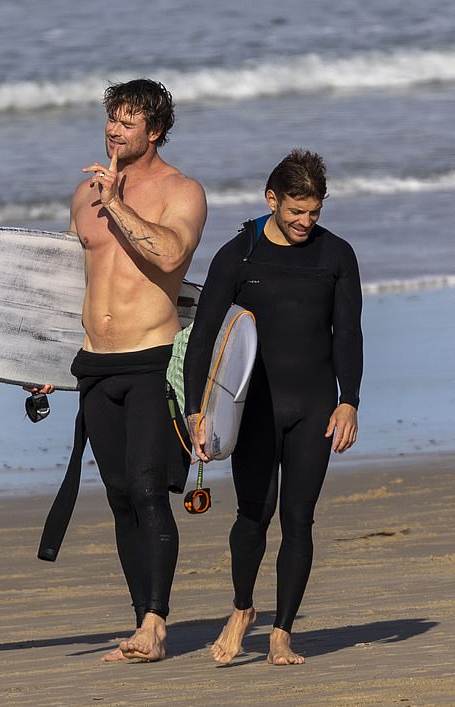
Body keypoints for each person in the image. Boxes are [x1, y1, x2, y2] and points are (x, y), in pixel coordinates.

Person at [30, 79, 207, 662]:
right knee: (120, 496)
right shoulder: (83, 193)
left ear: (154, 131)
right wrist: (45, 360)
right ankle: (142, 622)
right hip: (95, 367)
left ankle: (157, 624)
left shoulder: (183, 191)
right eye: (111, 118)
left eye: (128, 121)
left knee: (151, 490)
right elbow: (68, 286)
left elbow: (171, 255)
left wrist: (118, 205)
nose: (114, 130)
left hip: (151, 361)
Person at [183, 149, 363, 666]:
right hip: (256, 408)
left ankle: (282, 632)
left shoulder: (337, 256)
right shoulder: (238, 255)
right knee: (252, 516)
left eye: (314, 212)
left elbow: (347, 332)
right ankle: (242, 609)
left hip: (313, 405)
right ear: (272, 199)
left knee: (300, 519)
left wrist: (348, 400)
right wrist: (199, 409)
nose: (305, 222)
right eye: (295, 212)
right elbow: (204, 338)